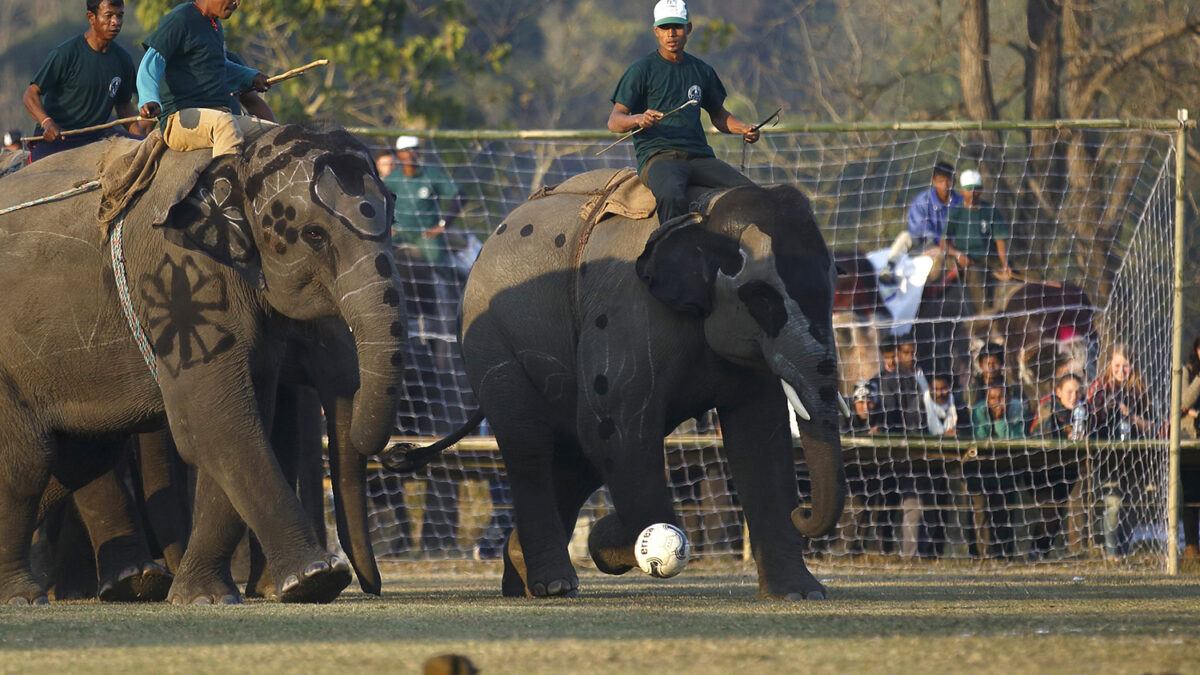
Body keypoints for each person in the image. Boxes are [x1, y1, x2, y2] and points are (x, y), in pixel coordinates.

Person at [606, 0, 760, 226]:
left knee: (753, 194)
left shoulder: (701, 70)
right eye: (665, 27)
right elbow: (614, 121)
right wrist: (639, 119)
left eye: (677, 27)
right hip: (659, 158)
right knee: (671, 196)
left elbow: (718, 115)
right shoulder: (641, 70)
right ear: (656, 31)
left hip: (700, 157)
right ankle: (669, 253)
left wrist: (744, 128)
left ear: (688, 28)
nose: (671, 34)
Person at [136, 0, 269, 157]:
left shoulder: (215, 26)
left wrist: (252, 77)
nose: (237, 2)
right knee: (225, 124)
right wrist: (148, 98)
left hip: (221, 115)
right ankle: (224, 180)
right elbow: (152, 62)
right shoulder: (180, 19)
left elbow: (221, 66)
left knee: (271, 131)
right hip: (181, 120)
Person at [22, 0, 146, 162]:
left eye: (120, 15)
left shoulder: (123, 60)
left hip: (97, 137)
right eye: (108, 16)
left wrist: (141, 140)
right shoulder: (66, 53)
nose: (116, 22)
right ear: (91, 17)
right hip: (61, 137)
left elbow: (123, 105)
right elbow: (30, 95)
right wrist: (47, 123)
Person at [1028, 372, 1087, 558]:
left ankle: (1040, 553)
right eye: (1069, 391)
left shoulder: (1083, 409)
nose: (1073, 396)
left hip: (1067, 469)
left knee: (1058, 512)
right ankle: (1036, 552)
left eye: (1077, 392)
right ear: (1058, 392)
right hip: (1041, 468)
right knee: (1050, 511)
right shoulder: (1047, 405)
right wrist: (1064, 436)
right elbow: (1041, 434)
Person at [879, 161, 963, 284]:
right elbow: (919, 229)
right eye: (941, 181)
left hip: (951, 249)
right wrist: (938, 242)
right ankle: (889, 268)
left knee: (939, 257)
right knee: (905, 237)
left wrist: (952, 244)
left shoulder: (960, 203)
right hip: (925, 244)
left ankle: (927, 287)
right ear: (934, 181)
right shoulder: (922, 201)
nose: (945, 185)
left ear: (954, 181)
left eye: (949, 180)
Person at [944, 169, 1013, 313]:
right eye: (969, 190)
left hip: (991, 257)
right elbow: (943, 242)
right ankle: (985, 317)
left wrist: (1004, 263)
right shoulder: (956, 212)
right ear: (962, 190)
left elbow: (1000, 240)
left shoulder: (990, 210)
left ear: (981, 190)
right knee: (978, 281)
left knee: (1020, 274)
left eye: (976, 189)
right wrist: (958, 255)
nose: (972, 193)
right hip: (969, 260)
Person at [869, 335, 924, 433]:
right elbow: (890, 413)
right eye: (887, 358)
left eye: (893, 357)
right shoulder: (880, 381)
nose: (891, 362)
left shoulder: (922, 372)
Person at [1181, 335, 1200, 558]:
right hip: (1188, 439)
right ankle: (1191, 547)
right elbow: (1183, 401)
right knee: (1190, 493)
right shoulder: (1186, 372)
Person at [922, 372, 970, 438]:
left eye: (943, 389)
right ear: (929, 388)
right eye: (935, 389)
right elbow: (915, 434)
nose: (939, 394)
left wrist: (958, 433)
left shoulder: (958, 405)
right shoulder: (919, 405)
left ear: (949, 387)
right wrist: (943, 436)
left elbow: (967, 431)